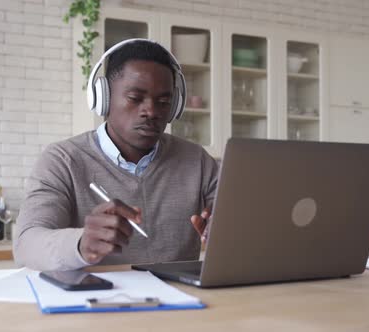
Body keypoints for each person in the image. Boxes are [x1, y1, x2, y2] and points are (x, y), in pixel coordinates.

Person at [14, 39, 218, 271]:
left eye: (163, 102)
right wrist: (81, 243)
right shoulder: (63, 160)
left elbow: (239, 217)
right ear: (104, 98)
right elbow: (26, 245)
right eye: (135, 98)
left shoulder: (197, 160)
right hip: (97, 301)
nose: (151, 111)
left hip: (186, 300)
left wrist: (228, 228)